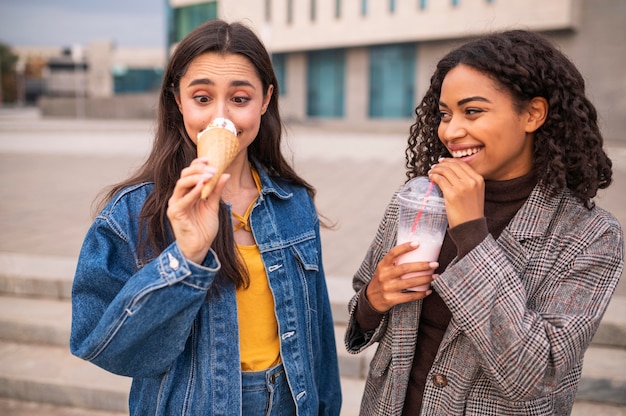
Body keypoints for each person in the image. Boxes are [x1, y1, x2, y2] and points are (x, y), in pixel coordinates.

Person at [345, 29, 624, 415]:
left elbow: (537, 372)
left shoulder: (590, 236)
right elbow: (363, 305)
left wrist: (472, 234)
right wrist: (372, 300)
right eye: (444, 114)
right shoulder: (419, 197)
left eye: (472, 111)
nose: (451, 131)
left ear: (532, 114)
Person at [70, 19, 342, 415]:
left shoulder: (293, 202)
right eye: (201, 98)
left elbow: (318, 344)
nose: (221, 118)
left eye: (239, 99)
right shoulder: (131, 214)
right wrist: (185, 257)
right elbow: (102, 344)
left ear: (265, 101)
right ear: (177, 100)